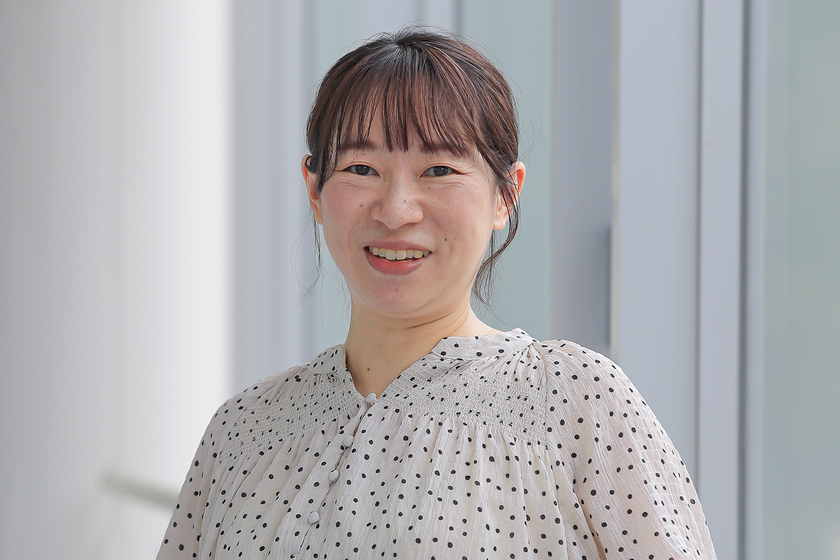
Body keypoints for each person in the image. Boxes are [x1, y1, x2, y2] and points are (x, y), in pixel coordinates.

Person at [157, 28, 717, 560]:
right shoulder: (244, 430)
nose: (396, 210)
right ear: (314, 189)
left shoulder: (575, 403)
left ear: (506, 195)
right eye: (362, 168)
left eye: (439, 169)